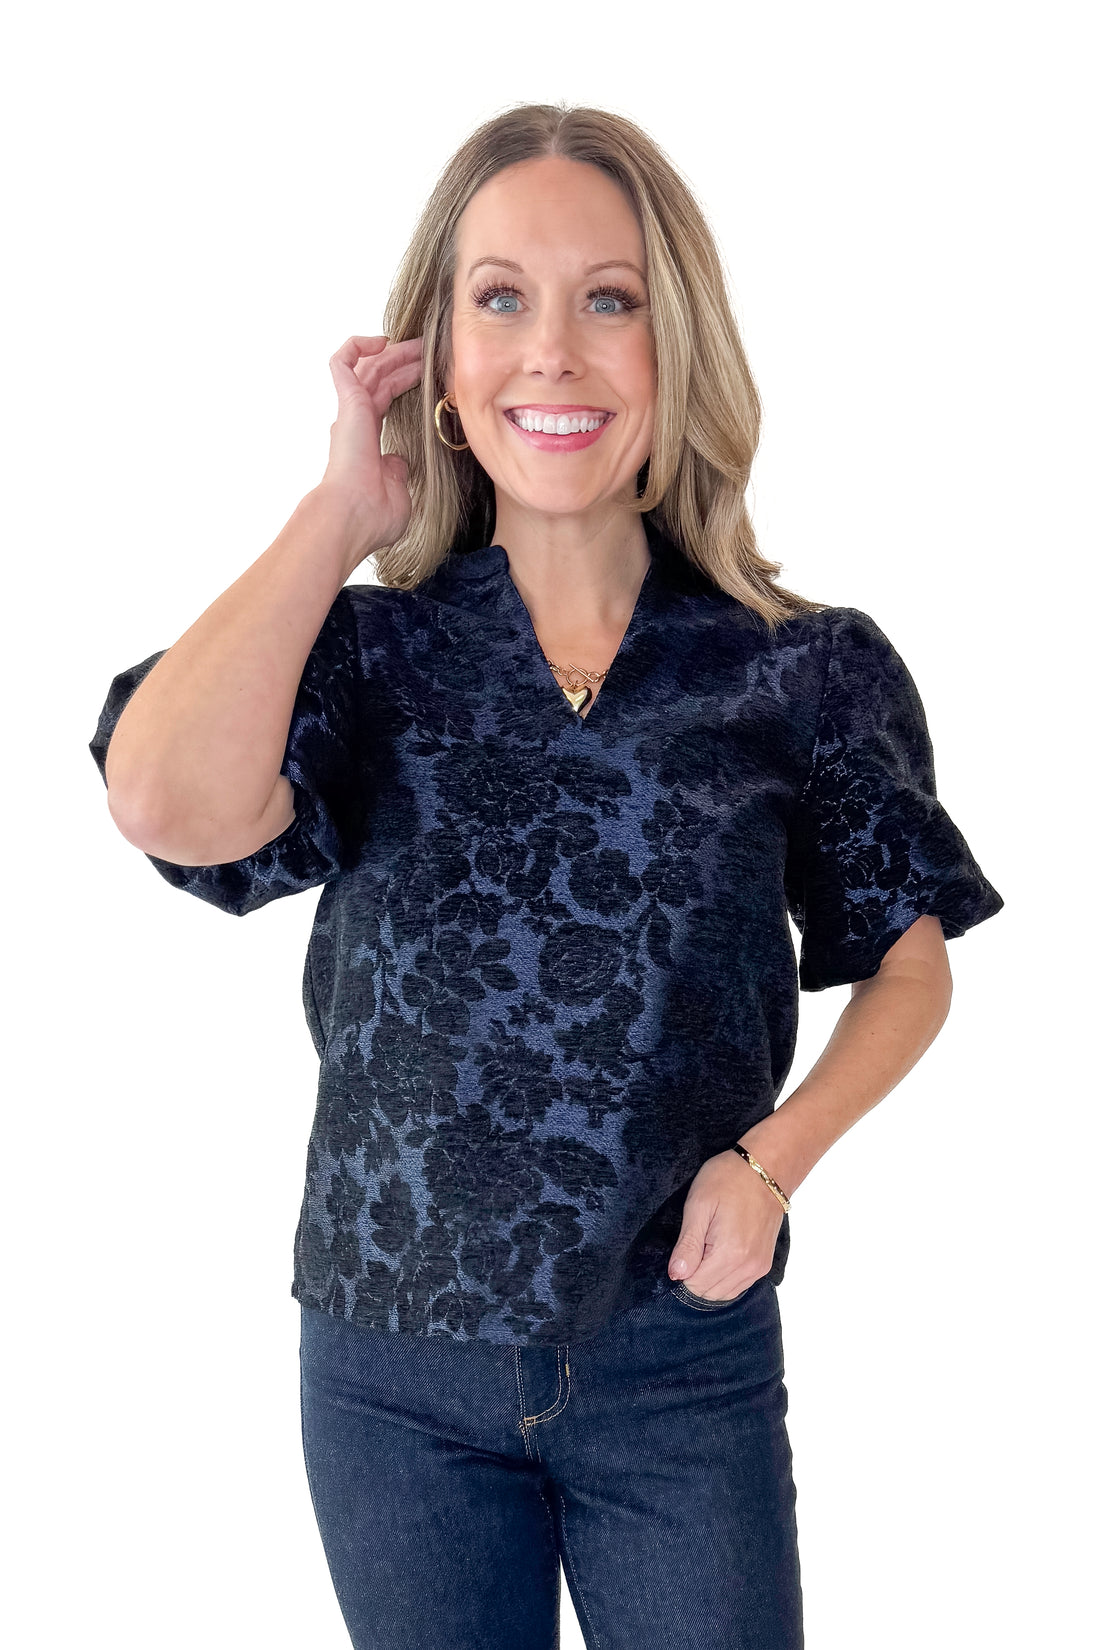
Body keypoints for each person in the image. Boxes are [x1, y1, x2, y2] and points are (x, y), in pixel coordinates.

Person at [89, 103, 1004, 1650]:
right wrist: (339, 514)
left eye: (612, 299)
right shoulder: (367, 655)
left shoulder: (799, 670)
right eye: (500, 298)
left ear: (677, 341)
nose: (554, 353)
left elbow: (909, 962)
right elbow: (164, 802)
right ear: (439, 359)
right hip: (391, 1371)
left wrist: (775, 1160)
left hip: (675, 1355)